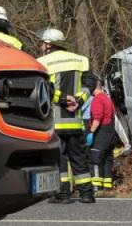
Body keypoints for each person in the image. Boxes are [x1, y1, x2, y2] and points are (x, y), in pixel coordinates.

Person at [36, 28, 95, 204]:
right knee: (79, 158)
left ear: (48, 44)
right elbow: (90, 83)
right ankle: (87, 194)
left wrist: (63, 99)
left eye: (42, 43)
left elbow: (44, 89)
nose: (40, 46)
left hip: (55, 122)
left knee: (59, 159)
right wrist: (78, 99)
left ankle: (63, 194)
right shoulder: (80, 60)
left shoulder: (41, 62)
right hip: (75, 121)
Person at [84, 73, 117, 192]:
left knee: (95, 160)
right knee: (107, 160)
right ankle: (107, 187)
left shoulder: (97, 100)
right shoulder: (107, 98)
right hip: (110, 133)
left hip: (101, 134)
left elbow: (97, 119)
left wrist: (91, 132)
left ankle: (97, 187)